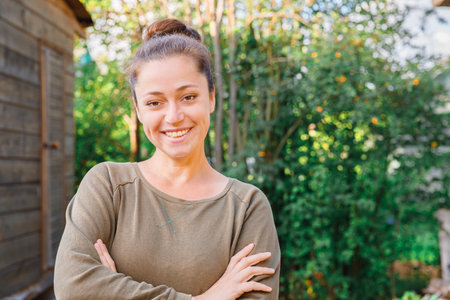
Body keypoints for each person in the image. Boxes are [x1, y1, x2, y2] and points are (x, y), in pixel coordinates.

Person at [54, 18, 280, 299]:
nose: (173, 116)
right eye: (154, 102)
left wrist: (112, 290)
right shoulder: (108, 185)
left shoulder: (247, 208)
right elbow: (73, 287)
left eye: (188, 97)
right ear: (138, 109)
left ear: (211, 98)